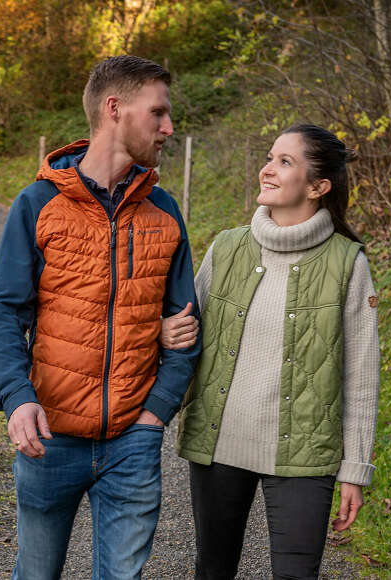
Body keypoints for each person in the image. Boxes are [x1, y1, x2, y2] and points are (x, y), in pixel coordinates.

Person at [0, 55, 202, 580]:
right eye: (158, 113)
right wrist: (17, 398)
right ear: (114, 109)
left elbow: (186, 327)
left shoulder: (165, 211)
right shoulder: (38, 204)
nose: (169, 128)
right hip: (50, 437)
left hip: (133, 440)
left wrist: (155, 416)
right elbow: (5, 312)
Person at [161, 124, 379, 580]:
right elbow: (187, 332)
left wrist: (355, 469)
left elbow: (361, 375)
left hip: (304, 453)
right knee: (212, 570)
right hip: (220, 442)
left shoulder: (348, 264)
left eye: (285, 162)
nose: (267, 169)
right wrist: (165, 334)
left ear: (318, 186)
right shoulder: (227, 247)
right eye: (269, 157)